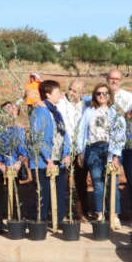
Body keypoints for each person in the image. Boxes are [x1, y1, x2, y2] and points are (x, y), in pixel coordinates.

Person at [75, 85, 126, 221]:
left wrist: (115, 155)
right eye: (98, 93)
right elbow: (81, 132)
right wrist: (80, 151)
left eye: (105, 93)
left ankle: (114, 214)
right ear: (94, 95)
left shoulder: (115, 112)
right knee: (97, 183)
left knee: (112, 183)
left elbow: (120, 134)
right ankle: (100, 213)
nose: (102, 96)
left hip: (109, 149)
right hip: (93, 149)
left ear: (110, 95)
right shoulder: (89, 112)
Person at [28, 80, 72, 228]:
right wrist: (48, 159)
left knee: (60, 193)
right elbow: (38, 137)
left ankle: (58, 221)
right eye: (57, 92)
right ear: (48, 94)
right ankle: (40, 224)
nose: (61, 94)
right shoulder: (40, 111)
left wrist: (66, 153)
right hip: (43, 162)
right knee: (43, 195)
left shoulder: (56, 111)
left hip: (58, 160)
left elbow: (63, 134)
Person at [0, 102, 28, 233]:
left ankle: (14, 222)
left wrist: (18, 163)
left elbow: (23, 150)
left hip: (14, 168)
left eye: (13, 108)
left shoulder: (19, 130)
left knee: (14, 195)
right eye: (7, 108)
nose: (11, 111)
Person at [106, 69, 132, 220]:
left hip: (126, 141)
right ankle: (115, 213)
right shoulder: (102, 94)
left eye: (117, 79)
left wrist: (128, 115)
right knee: (112, 177)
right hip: (109, 143)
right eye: (112, 78)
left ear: (121, 80)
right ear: (107, 79)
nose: (114, 81)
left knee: (131, 177)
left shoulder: (128, 96)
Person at [57, 79, 88, 218]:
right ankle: (63, 212)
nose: (71, 93)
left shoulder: (86, 105)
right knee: (64, 180)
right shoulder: (60, 102)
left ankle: (82, 213)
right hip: (64, 148)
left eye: (75, 91)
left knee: (81, 180)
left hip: (81, 149)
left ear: (82, 93)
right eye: (70, 89)